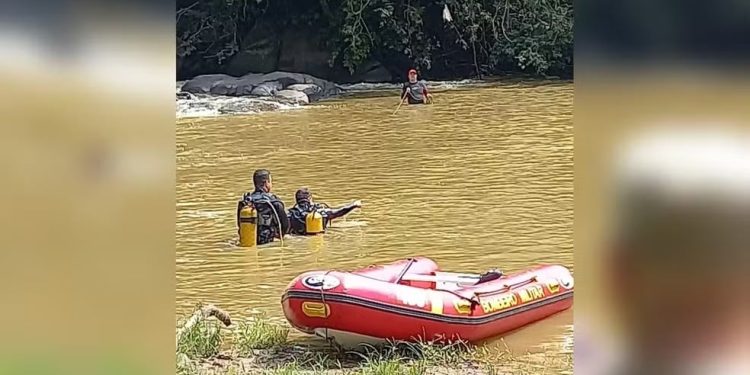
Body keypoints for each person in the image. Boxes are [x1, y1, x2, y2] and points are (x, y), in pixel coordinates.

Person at [236, 169, 289, 245]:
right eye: (270, 182)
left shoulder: (245, 202)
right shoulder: (274, 202)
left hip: (249, 240)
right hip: (268, 242)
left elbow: (239, 224)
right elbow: (285, 225)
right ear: (266, 183)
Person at [287, 187, 361, 235]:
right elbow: (339, 212)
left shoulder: (290, 214)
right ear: (309, 198)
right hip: (318, 239)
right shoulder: (320, 211)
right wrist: (353, 205)